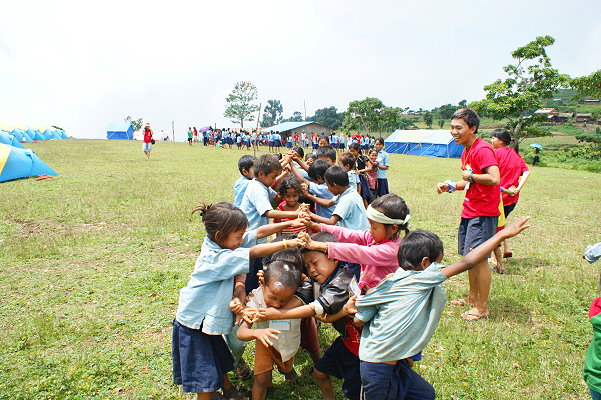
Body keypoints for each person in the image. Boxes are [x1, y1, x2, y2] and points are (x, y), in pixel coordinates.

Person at [349, 217, 531, 400]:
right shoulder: (418, 279)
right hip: (377, 367)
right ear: (425, 263)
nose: (440, 269)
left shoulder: (390, 280)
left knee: (425, 394)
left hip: (396, 362)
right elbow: (468, 262)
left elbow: (360, 320)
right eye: (438, 264)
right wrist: (502, 234)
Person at [172, 202, 303, 400]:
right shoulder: (215, 258)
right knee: (205, 378)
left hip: (206, 322)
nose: (242, 240)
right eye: (239, 237)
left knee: (218, 358)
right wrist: (287, 244)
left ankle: (228, 390)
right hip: (194, 325)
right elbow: (253, 252)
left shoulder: (226, 242)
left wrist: (291, 222)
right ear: (220, 237)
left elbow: (259, 232)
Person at [257, 232, 362, 400]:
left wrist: (279, 314)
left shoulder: (345, 278)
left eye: (315, 263)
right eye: (308, 266)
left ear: (335, 258)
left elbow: (316, 308)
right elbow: (302, 295)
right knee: (320, 371)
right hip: (348, 339)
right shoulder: (317, 280)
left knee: (357, 389)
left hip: (364, 345)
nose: (312, 270)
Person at [436, 108, 500, 321]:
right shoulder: (466, 150)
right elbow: (471, 179)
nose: (453, 131)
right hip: (470, 210)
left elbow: (494, 179)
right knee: (470, 257)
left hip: (482, 213)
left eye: (458, 127)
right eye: (452, 127)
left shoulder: (483, 149)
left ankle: (482, 308)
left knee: (479, 259)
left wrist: (471, 177)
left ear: (472, 129)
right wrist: (452, 185)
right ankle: (472, 298)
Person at [301, 194, 409, 292]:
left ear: (394, 228)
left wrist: (320, 245)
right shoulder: (375, 237)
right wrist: (317, 226)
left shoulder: (391, 251)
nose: (370, 230)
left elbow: (357, 252)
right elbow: (349, 234)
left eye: (374, 227)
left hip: (381, 298)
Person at [237, 260, 304, 400]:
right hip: (265, 344)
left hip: (288, 344)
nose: (276, 304)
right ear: (262, 283)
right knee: (261, 380)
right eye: (272, 297)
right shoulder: (256, 299)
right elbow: (241, 332)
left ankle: (287, 371)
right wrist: (256, 333)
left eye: (284, 301)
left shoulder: (299, 297)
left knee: (284, 368)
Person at [490, 128, 531, 273]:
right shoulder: (516, 155)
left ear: (501, 140)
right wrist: (518, 187)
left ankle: (498, 262)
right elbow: (527, 171)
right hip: (512, 200)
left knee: (494, 229)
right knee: (501, 223)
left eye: (493, 138)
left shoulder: (494, 154)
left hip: (497, 198)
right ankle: (506, 249)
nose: (491, 140)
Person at [301, 165, 369, 231]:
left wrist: (310, 214)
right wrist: (308, 195)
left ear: (334, 185)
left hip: (357, 236)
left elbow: (331, 221)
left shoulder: (346, 200)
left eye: (327, 186)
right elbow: (328, 203)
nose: (328, 188)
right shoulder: (349, 192)